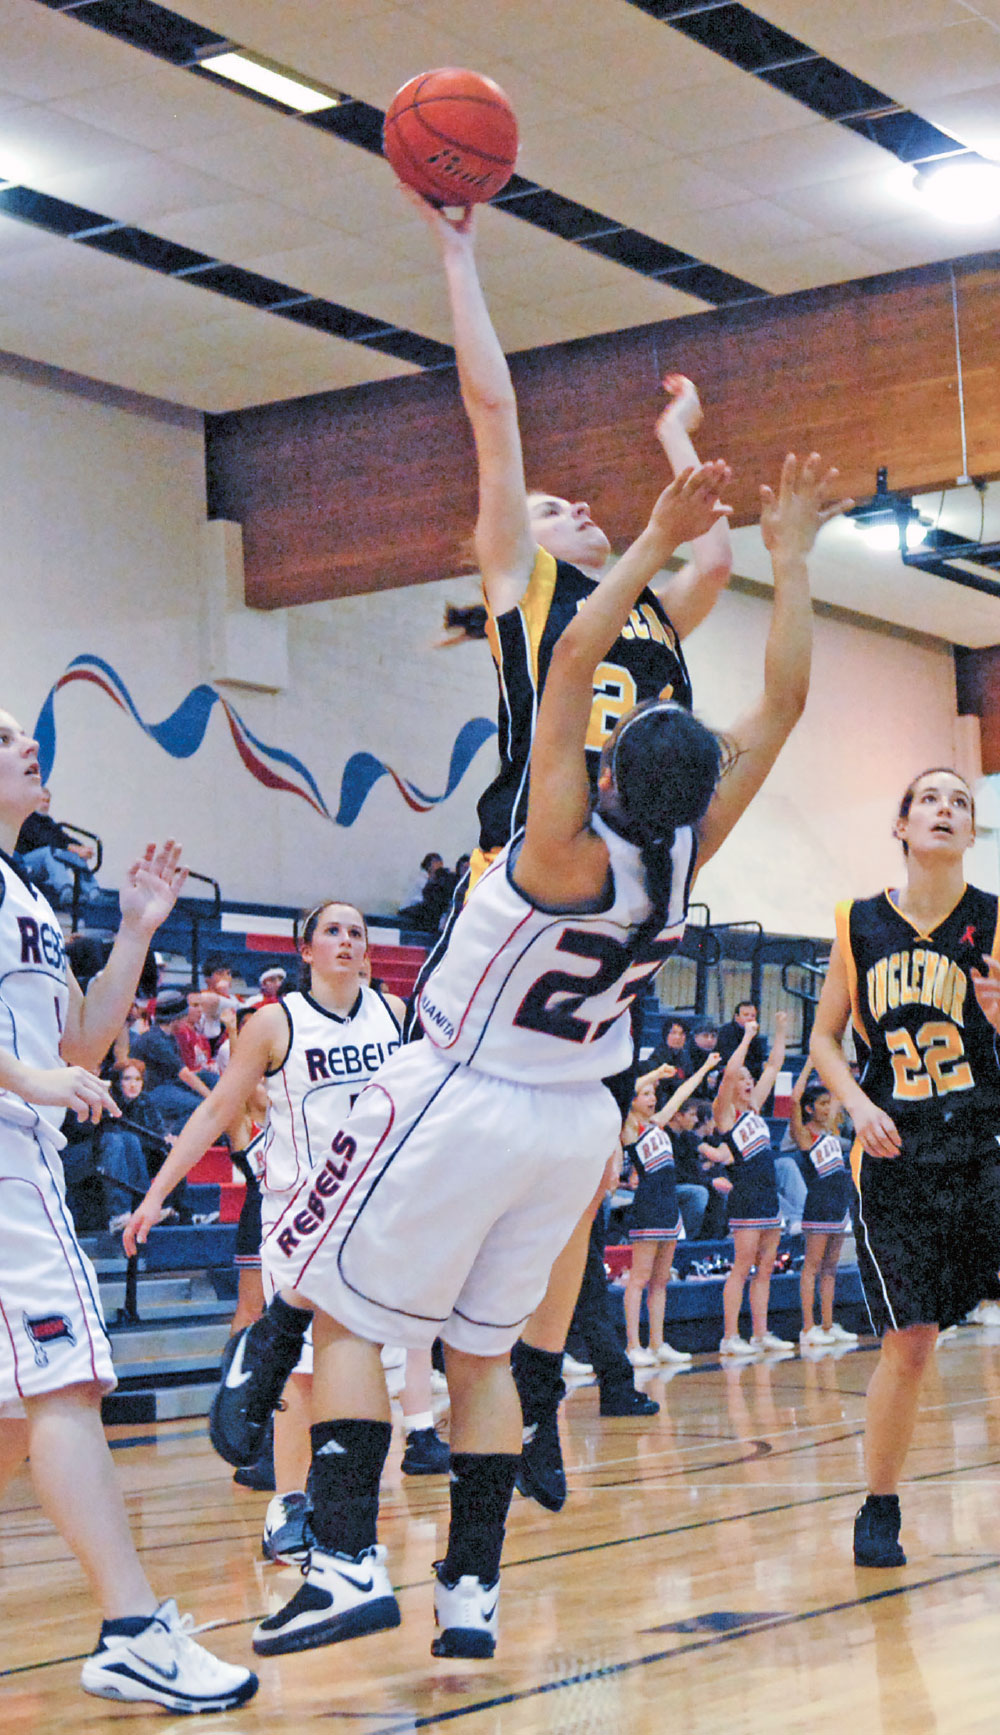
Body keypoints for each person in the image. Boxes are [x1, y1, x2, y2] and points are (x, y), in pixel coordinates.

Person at [200, 449, 846, 1662]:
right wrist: (794, 562)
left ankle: (342, 1563)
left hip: (464, 1091)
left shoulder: (556, 836)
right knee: (481, 1353)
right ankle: (471, 1590)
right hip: (570, 1125)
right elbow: (785, 705)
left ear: (605, 767)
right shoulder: (684, 858)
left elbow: (569, 656)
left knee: (344, 1319)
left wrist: (651, 542)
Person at [401, 188, 738, 1511]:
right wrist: (457, 252)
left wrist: (677, 439)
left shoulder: (645, 611)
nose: (568, 506)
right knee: (477, 1147)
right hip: (530, 876)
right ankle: (376, 1356)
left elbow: (716, 549)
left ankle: (530, 1387)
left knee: (584, 1167)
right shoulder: (526, 588)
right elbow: (493, 412)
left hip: (630, 896)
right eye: (549, 505)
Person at [0, 710, 256, 1712]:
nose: (27, 744)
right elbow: (44, 1069)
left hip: (21, 1145)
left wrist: (140, 929)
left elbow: (79, 1041)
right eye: (3, 736)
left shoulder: (27, 892)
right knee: (63, 1380)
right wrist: (28, 1080)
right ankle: (133, 1632)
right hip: (6, 1158)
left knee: (14, 1415)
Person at [123, 902, 449, 1561]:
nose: (347, 940)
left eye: (357, 931)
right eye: (332, 930)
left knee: (369, 1370)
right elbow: (216, 1107)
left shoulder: (393, 1013)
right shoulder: (275, 1022)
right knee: (301, 1374)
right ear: (305, 949)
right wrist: (155, 1196)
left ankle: (350, 1518)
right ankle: (288, 1508)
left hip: (373, 1216)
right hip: (298, 1214)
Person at [809, 767, 1000, 1568]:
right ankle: (879, 1505)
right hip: (896, 1155)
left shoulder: (994, 920)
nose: (945, 808)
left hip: (985, 1146)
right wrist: (856, 1104)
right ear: (901, 824)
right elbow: (824, 1037)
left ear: (973, 831)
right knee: (910, 1342)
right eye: (930, 798)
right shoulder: (858, 922)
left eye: (961, 802)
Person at [622, 1051, 720, 1365]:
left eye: (653, 1094)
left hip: (668, 1206)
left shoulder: (658, 1123)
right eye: (645, 1095)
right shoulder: (629, 1128)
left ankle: (657, 1344)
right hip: (648, 1205)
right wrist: (652, 1076)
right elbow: (623, 1091)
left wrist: (705, 1067)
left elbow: (681, 1095)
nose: (652, 1099)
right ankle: (633, 1346)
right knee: (639, 1278)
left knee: (661, 1280)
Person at [709, 1012, 792, 1355]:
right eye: (742, 1078)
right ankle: (730, 1337)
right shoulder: (725, 1114)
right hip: (745, 1196)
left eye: (749, 1077)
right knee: (742, 1267)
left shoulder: (755, 1107)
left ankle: (760, 1334)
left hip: (768, 1197)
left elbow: (773, 1066)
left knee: (766, 1270)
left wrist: (782, 1028)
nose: (747, 1081)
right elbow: (729, 1073)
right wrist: (745, 1038)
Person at [788, 1063, 857, 1349]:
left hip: (839, 1203)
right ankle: (808, 1327)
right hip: (819, 1204)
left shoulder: (830, 1130)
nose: (829, 1108)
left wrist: (835, 1061)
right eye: (822, 1104)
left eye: (829, 1103)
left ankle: (828, 1324)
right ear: (809, 1109)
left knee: (831, 1267)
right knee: (812, 1266)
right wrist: (809, 1064)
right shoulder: (804, 1135)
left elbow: (841, 1092)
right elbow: (793, 1099)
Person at [717, 1000, 769, 1079]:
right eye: (746, 1015)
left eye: (753, 1016)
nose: (750, 1018)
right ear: (736, 1017)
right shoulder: (726, 1032)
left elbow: (759, 1059)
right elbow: (728, 1057)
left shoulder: (755, 1034)